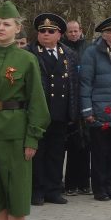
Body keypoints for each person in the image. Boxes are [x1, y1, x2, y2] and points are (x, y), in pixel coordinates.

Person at [0, 1, 50, 220]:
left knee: (16, 197)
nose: (0, 28)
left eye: (6, 24)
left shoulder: (26, 60)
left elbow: (37, 102)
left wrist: (33, 138)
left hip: (16, 134)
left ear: (17, 28)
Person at [26, 13, 80, 205]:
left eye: (51, 31)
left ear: (60, 34)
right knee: (38, 154)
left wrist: (73, 112)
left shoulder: (69, 55)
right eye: (42, 31)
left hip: (60, 113)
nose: (46, 34)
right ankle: (37, 191)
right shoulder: (30, 53)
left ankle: (53, 190)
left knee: (57, 153)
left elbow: (74, 85)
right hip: (39, 113)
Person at [80, 16, 111, 201]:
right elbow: (85, 83)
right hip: (101, 110)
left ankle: (110, 185)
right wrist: (87, 111)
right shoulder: (92, 53)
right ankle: (99, 189)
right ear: (104, 34)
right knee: (100, 153)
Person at [62, 20, 92, 196]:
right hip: (70, 99)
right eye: (70, 31)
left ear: (81, 31)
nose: (73, 34)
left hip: (85, 99)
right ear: (66, 33)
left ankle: (85, 182)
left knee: (86, 144)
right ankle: (71, 183)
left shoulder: (88, 49)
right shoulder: (63, 48)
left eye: (76, 31)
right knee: (73, 144)